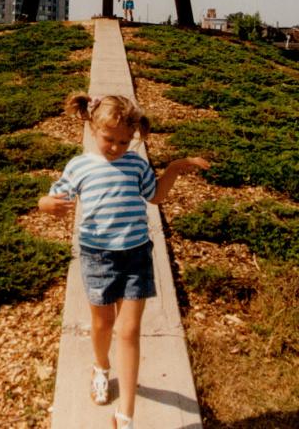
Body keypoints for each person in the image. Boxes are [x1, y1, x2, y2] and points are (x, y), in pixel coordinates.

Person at [38, 93, 209, 429]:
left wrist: (173, 169)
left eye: (123, 141)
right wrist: (46, 204)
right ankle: (101, 368)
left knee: (129, 331)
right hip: (97, 257)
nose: (116, 147)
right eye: (108, 139)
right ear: (91, 127)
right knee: (102, 325)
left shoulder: (136, 164)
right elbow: (53, 196)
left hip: (136, 256)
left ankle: (125, 417)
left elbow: (155, 196)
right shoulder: (80, 166)